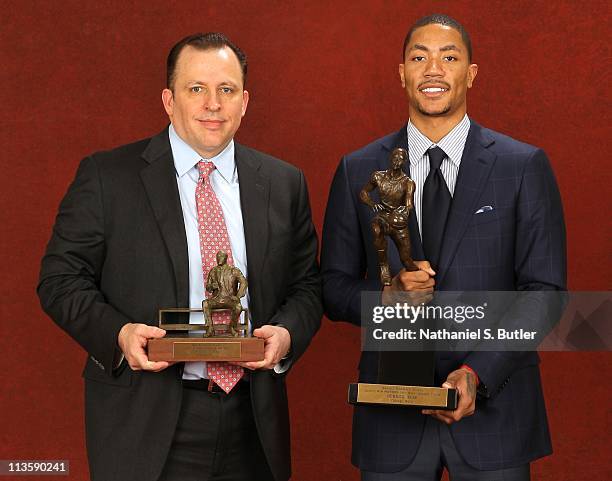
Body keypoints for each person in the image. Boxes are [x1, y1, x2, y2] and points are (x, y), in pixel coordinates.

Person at [38, 32, 322, 481]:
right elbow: (59, 280)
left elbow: (308, 286)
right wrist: (119, 335)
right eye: (197, 89)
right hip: (145, 422)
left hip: (253, 421)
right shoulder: (108, 177)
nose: (213, 104)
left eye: (226, 90)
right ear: (169, 100)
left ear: (244, 101)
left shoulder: (284, 183)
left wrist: (286, 335)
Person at [321, 14, 566, 481]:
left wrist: (479, 373)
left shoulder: (522, 166)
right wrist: (384, 301)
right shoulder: (358, 170)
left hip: (496, 414)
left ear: (471, 72)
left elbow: (545, 293)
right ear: (401, 73)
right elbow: (332, 287)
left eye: (449, 57)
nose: (433, 69)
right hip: (390, 415)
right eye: (419, 57)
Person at [202, 250, 247, 337]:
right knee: (205, 304)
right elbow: (208, 287)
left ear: (226, 258)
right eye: (217, 257)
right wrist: (211, 286)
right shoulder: (213, 271)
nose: (218, 259)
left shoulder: (234, 270)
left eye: (221, 257)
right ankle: (210, 328)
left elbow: (244, 282)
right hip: (217, 299)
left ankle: (232, 327)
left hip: (230, 299)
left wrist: (238, 296)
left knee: (238, 307)